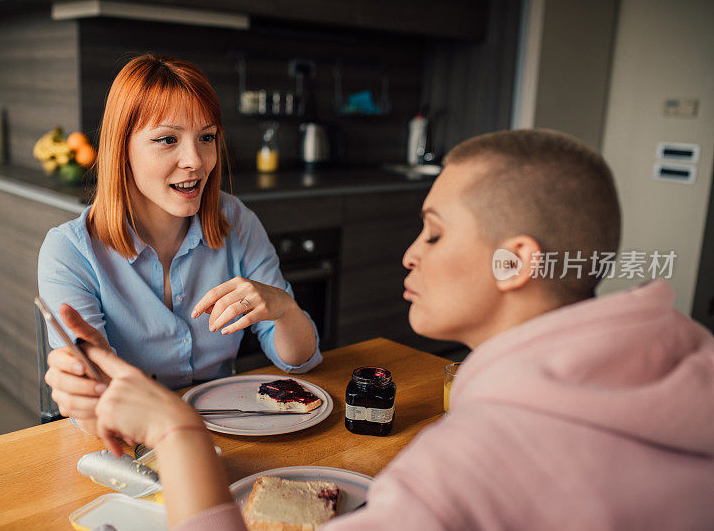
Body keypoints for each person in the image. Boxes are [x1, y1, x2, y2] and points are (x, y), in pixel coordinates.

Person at [77, 129, 714, 530]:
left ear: (515, 261)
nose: (410, 254)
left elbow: (298, 355)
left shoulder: (460, 470)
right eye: (167, 140)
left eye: (434, 231)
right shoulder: (693, 361)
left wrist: (181, 437)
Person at [38, 54, 321, 435]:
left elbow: (299, 360)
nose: (196, 161)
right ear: (122, 149)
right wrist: (86, 392)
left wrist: (284, 308)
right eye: (167, 139)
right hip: (132, 443)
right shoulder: (69, 252)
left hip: (224, 429)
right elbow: (96, 404)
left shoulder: (237, 221)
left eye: (206, 138)